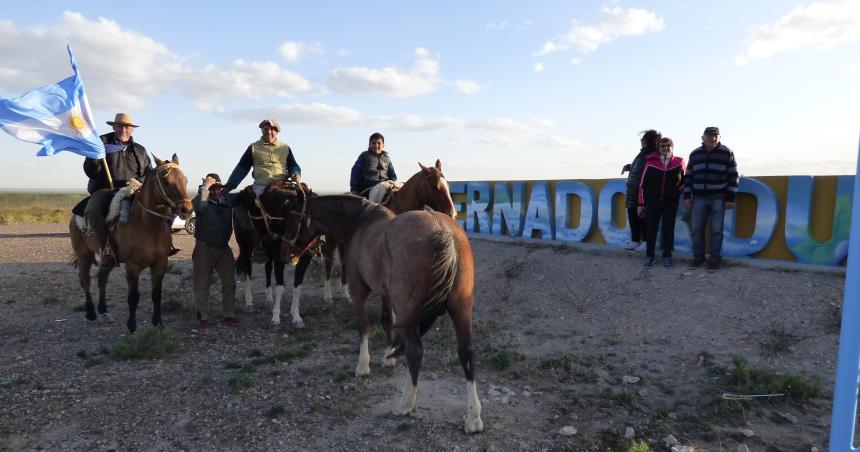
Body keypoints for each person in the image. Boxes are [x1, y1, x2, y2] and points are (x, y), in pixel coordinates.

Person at [82, 113, 179, 256]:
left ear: (132, 129)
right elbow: (91, 172)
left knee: (166, 210)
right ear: (114, 126)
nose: (124, 129)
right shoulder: (100, 143)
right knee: (92, 210)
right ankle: (105, 248)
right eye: (120, 126)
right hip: (106, 190)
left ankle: (165, 243)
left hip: (133, 190)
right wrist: (94, 160)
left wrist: (139, 182)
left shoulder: (140, 150)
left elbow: (149, 173)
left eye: (127, 127)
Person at [684, 126, 739, 271]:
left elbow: (733, 176)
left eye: (716, 135)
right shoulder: (695, 154)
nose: (713, 138)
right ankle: (698, 258)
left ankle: (714, 260)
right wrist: (687, 196)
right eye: (710, 135)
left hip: (719, 197)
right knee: (697, 230)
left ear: (719, 137)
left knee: (716, 231)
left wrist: (730, 198)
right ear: (703, 137)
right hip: (699, 198)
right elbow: (688, 177)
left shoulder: (727, 152)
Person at [192, 173, 239, 331]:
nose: (215, 191)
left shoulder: (228, 200)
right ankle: (203, 317)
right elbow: (200, 207)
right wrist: (205, 187)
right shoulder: (200, 200)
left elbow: (245, 196)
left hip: (223, 248)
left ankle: (228, 314)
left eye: (218, 187)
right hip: (204, 248)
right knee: (202, 284)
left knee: (230, 283)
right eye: (212, 188)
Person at [638, 137, 685, 268]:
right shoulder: (650, 162)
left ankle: (667, 255)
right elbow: (642, 184)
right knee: (651, 228)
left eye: (668, 146)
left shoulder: (679, 162)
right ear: (659, 148)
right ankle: (649, 255)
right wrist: (641, 204)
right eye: (663, 146)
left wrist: (676, 192)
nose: (665, 148)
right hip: (653, 201)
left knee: (668, 227)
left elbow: (683, 182)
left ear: (672, 147)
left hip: (671, 201)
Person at [222, 119, 301, 196]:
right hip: (262, 184)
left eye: (272, 129)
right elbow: (242, 169)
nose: (269, 132)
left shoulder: (285, 147)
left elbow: (293, 165)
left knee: (304, 198)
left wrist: (296, 173)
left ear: (277, 131)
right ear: (262, 130)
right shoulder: (253, 147)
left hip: (283, 182)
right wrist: (229, 186)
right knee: (257, 202)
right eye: (266, 129)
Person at [621, 129, 660, 251]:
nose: (641, 141)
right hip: (632, 189)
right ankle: (635, 240)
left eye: (643, 139)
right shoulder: (642, 154)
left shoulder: (653, 154)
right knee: (632, 214)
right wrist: (629, 167)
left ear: (647, 141)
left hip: (642, 191)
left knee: (643, 215)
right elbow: (639, 167)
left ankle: (646, 241)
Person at [349, 132, 397, 197]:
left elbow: (393, 175)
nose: (376, 146)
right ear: (369, 144)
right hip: (368, 186)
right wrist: (354, 189)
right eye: (373, 143)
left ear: (383, 145)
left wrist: (391, 182)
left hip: (385, 185)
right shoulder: (364, 156)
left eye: (379, 143)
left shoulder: (387, 158)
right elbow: (355, 171)